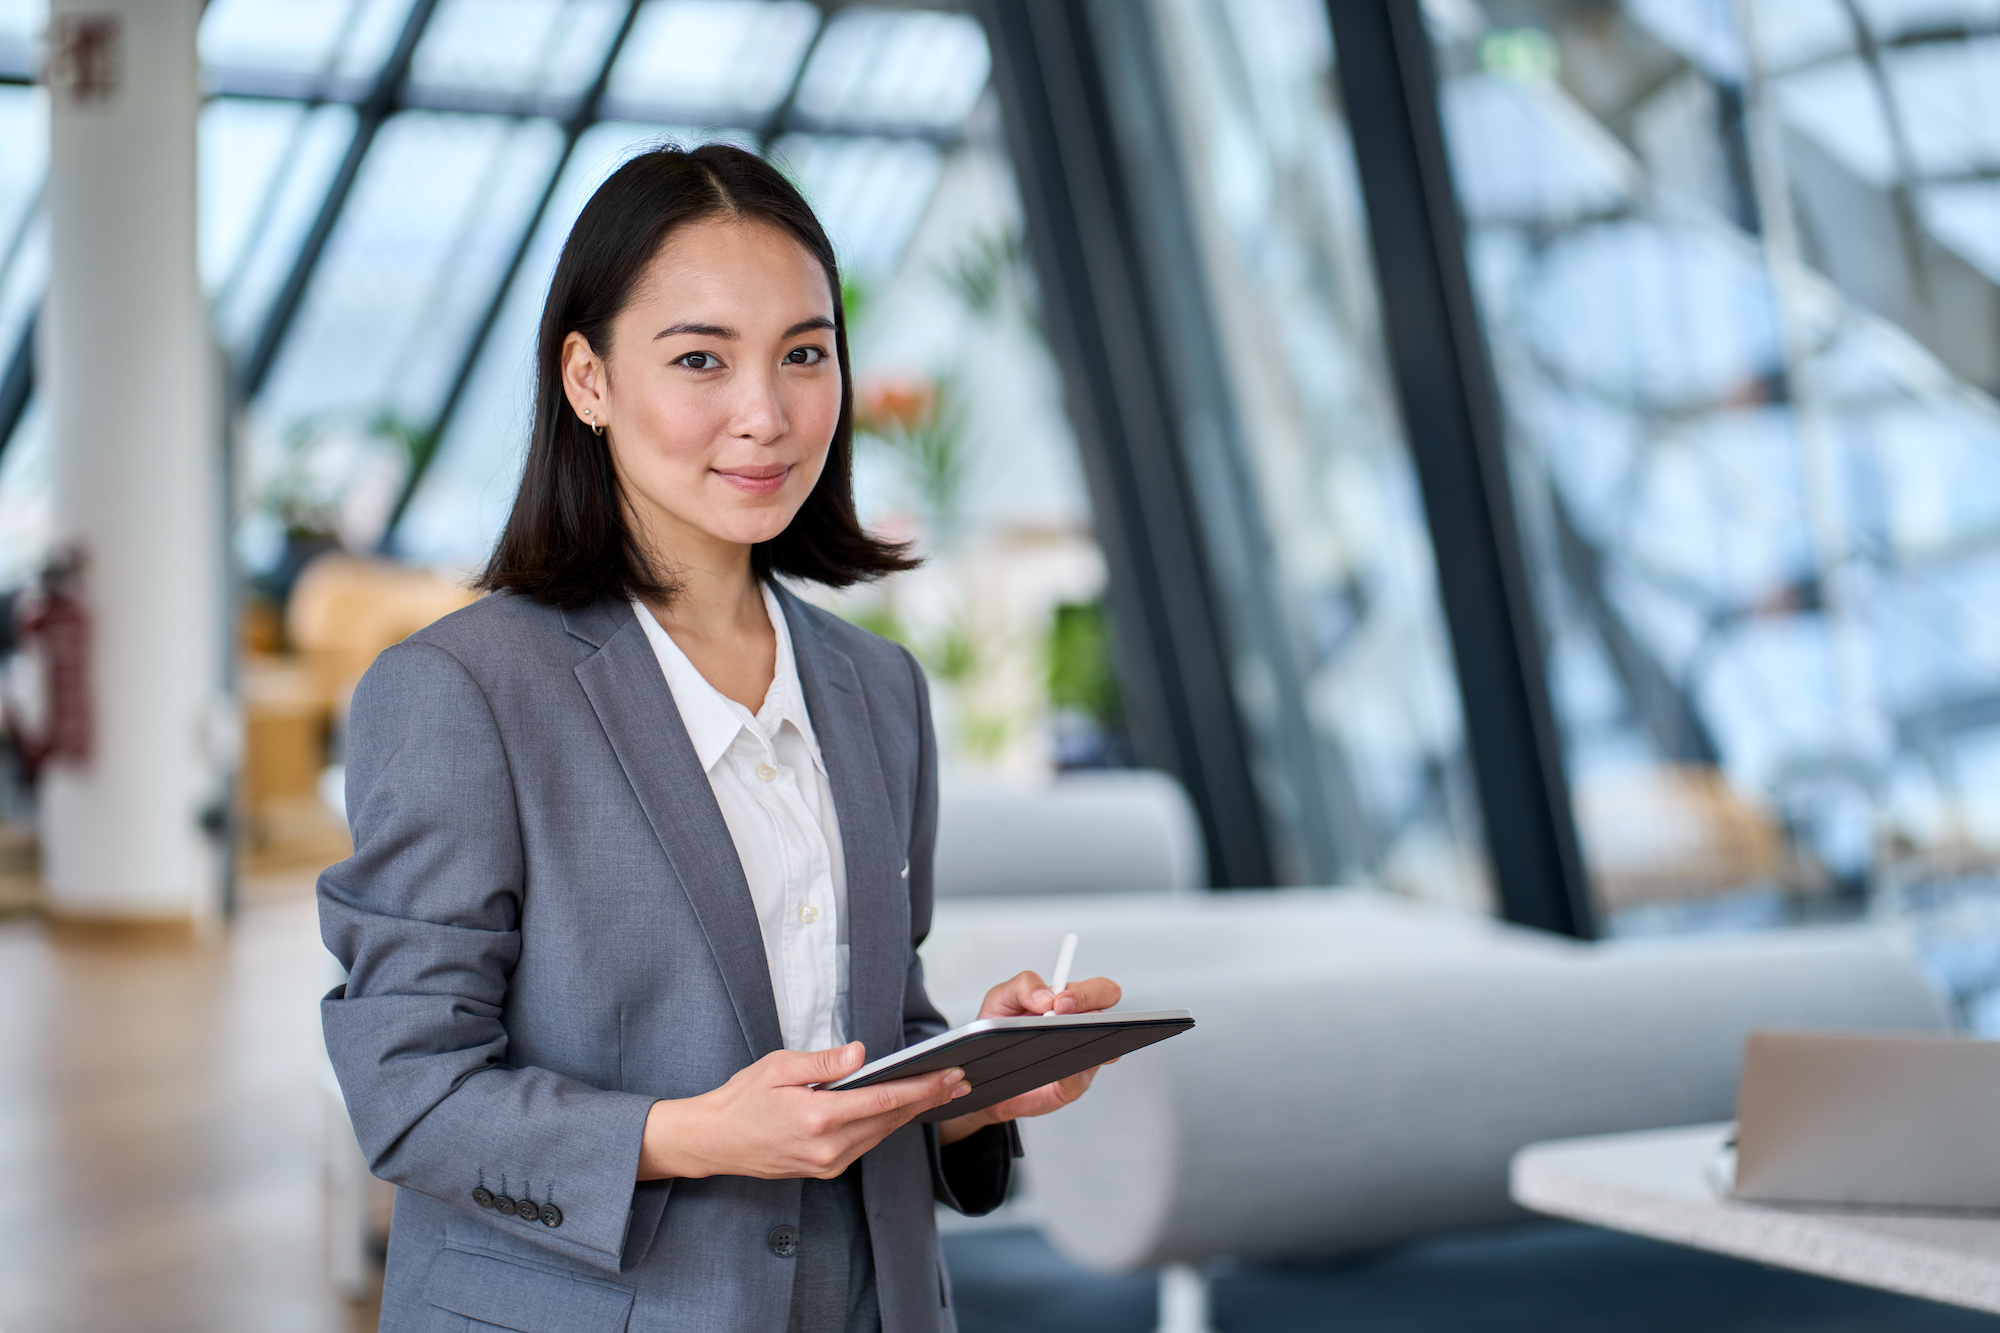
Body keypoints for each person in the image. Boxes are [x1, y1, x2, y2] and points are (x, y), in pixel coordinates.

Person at [317, 143, 1122, 1332]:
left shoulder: (875, 688)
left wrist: (968, 1081)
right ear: (586, 379)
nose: (767, 413)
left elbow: (862, 1037)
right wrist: (693, 1135)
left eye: (805, 353)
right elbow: (408, 1093)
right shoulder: (460, 693)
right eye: (701, 358)